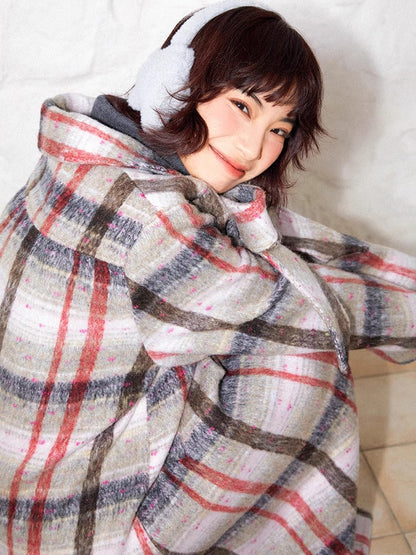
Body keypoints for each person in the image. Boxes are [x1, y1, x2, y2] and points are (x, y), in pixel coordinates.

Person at [0, 1, 415, 553]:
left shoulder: (89, 155)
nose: (254, 149)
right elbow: (289, 308)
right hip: (76, 512)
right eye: (243, 106)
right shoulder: (149, 219)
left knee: (274, 274)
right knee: (301, 362)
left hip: (26, 473)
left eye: (279, 128)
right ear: (173, 80)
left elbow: (280, 241)